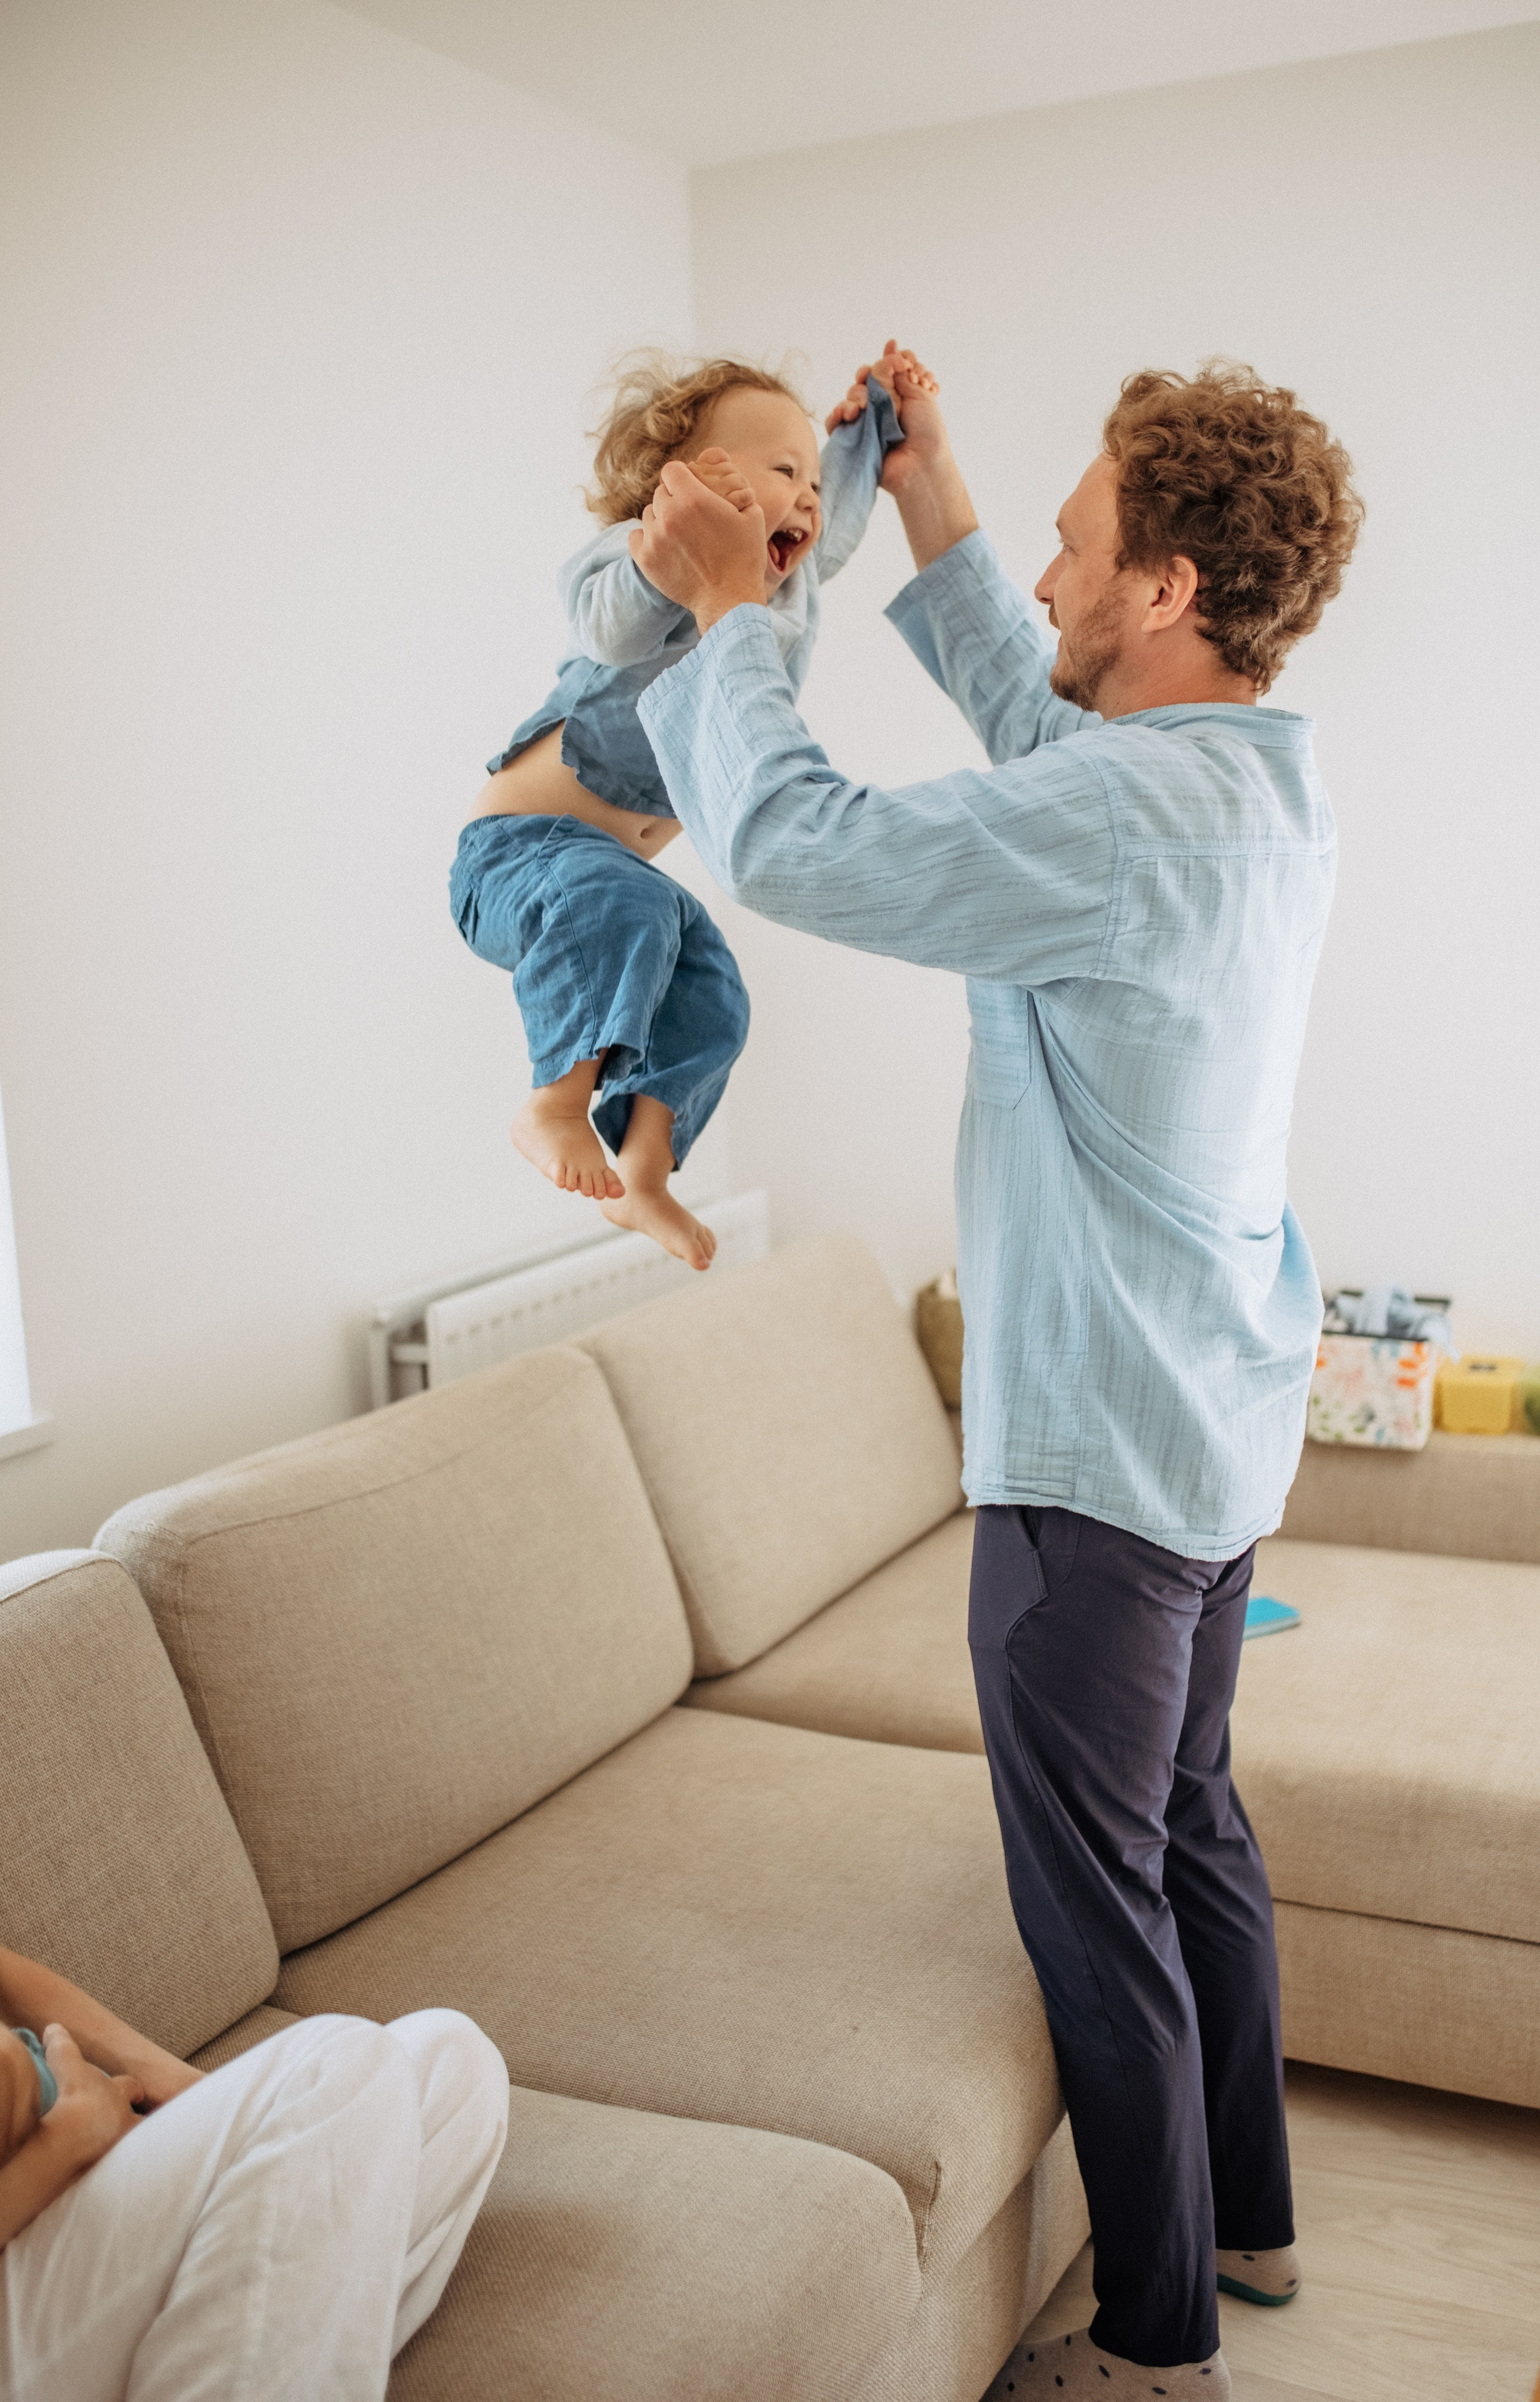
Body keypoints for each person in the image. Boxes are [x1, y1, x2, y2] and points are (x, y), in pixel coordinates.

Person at [629, 352, 1363, 2401]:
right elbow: (1056, 733)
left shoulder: (1124, 822)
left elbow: (787, 836)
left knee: (1096, 1905)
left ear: (1163, 587)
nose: (1042, 566)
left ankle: (1155, 2347)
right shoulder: (1255, 777)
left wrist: (731, 614)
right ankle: (1260, 2226)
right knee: (1195, 1829)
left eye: (1072, 539)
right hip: (1213, 1437)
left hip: (1097, 1467)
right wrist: (935, 507)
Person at [448, 342, 934, 1270]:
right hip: (516, 856)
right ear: (683, 479)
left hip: (612, 887)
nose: (806, 497)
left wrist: (873, 422)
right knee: (622, 903)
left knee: (714, 993)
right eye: (781, 469)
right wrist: (673, 554)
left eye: (811, 483)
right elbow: (608, 622)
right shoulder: (649, 553)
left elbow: (839, 517)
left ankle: (644, 1172)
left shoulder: (786, 588)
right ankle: (554, 1102)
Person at [0, 1888, 508, 2399]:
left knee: (452, 2060)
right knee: (340, 2063)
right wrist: (61, 2149)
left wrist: (190, 2094)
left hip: (61, 2198)